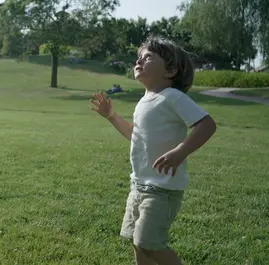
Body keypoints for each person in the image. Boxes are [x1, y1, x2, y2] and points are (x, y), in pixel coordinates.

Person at [89, 37, 217, 265]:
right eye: (139, 56)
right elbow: (135, 135)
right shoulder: (145, 101)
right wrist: (112, 116)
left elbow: (206, 125)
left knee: (149, 242)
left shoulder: (173, 97)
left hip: (162, 189)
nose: (139, 60)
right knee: (139, 243)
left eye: (148, 57)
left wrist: (180, 152)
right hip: (138, 185)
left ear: (170, 71)